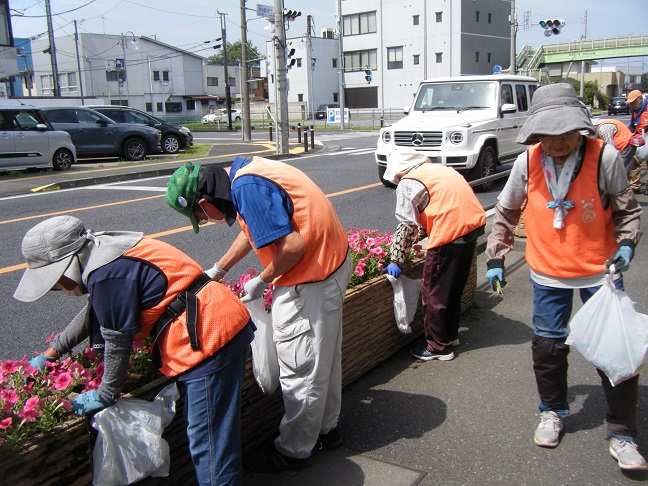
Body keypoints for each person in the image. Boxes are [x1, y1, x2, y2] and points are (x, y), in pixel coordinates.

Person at [13, 215, 254, 486]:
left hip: (209, 336)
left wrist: (106, 394)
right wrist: (52, 352)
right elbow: (95, 311)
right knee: (215, 434)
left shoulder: (106, 271)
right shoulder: (103, 249)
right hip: (216, 322)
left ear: (66, 264)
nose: (59, 288)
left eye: (56, 282)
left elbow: (117, 339)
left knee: (209, 443)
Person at [485, 83, 645, 471]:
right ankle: (552, 410)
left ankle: (622, 432)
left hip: (601, 272)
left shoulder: (604, 157)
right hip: (547, 271)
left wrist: (627, 245)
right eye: (548, 134)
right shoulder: (527, 162)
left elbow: (627, 211)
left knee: (616, 351)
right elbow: (505, 212)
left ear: (581, 128)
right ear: (536, 133)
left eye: (565, 133)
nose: (557, 142)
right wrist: (495, 258)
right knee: (549, 347)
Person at [166, 158, 353, 473]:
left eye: (200, 216)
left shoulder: (247, 188)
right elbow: (257, 226)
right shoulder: (247, 171)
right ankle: (326, 430)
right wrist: (220, 268)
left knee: (301, 370)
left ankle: (294, 451)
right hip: (331, 267)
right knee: (324, 360)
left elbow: (292, 246)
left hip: (309, 282)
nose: (206, 220)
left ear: (203, 203)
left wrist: (261, 280)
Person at [383, 152, 486, 361]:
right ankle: (450, 335)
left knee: (433, 292)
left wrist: (396, 259)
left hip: (449, 234)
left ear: (399, 171)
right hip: (472, 228)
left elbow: (407, 225)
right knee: (453, 288)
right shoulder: (441, 170)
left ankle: (439, 347)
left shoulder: (408, 181)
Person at [626, 89, 648, 193]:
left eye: (634, 102)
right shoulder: (635, 112)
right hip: (640, 138)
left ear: (640, 98)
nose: (633, 105)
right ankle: (635, 186)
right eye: (631, 103)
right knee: (634, 160)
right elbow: (631, 125)